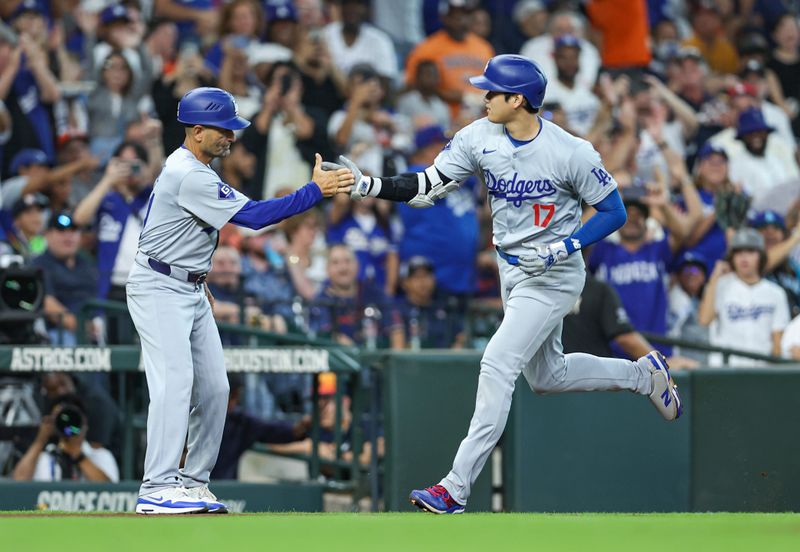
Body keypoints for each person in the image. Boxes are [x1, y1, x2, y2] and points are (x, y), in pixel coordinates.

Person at [334, 54, 683, 514]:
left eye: (492, 91)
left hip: (555, 273)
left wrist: (567, 245)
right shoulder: (479, 136)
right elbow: (428, 186)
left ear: (517, 99)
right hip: (512, 268)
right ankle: (642, 375)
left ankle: (455, 486)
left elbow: (614, 210)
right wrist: (366, 184)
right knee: (547, 376)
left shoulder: (570, 151)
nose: (484, 96)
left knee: (497, 363)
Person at [127, 86, 353, 515]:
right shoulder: (188, 173)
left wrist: (199, 277)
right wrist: (314, 191)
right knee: (174, 384)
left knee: (215, 388)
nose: (231, 136)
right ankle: (157, 487)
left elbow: (183, 233)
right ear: (196, 131)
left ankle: (193, 484)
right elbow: (254, 218)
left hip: (187, 285)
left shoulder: (199, 168)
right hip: (159, 286)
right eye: (224, 129)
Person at [698, 228, 790, 367]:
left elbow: (778, 341)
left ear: (760, 256)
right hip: (726, 369)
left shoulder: (776, 293)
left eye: (750, 252)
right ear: (732, 258)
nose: (744, 258)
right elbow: (704, 320)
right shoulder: (720, 285)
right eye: (739, 253)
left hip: (762, 369)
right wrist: (715, 276)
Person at [12, 398, 119, 482]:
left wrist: (78, 456)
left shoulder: (100, 455)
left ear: (84, 423)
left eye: (73, 420)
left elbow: (110, 494)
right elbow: (19, 483)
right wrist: (40, 440)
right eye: (61, 419)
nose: (68, 425)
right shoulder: (43, 458)